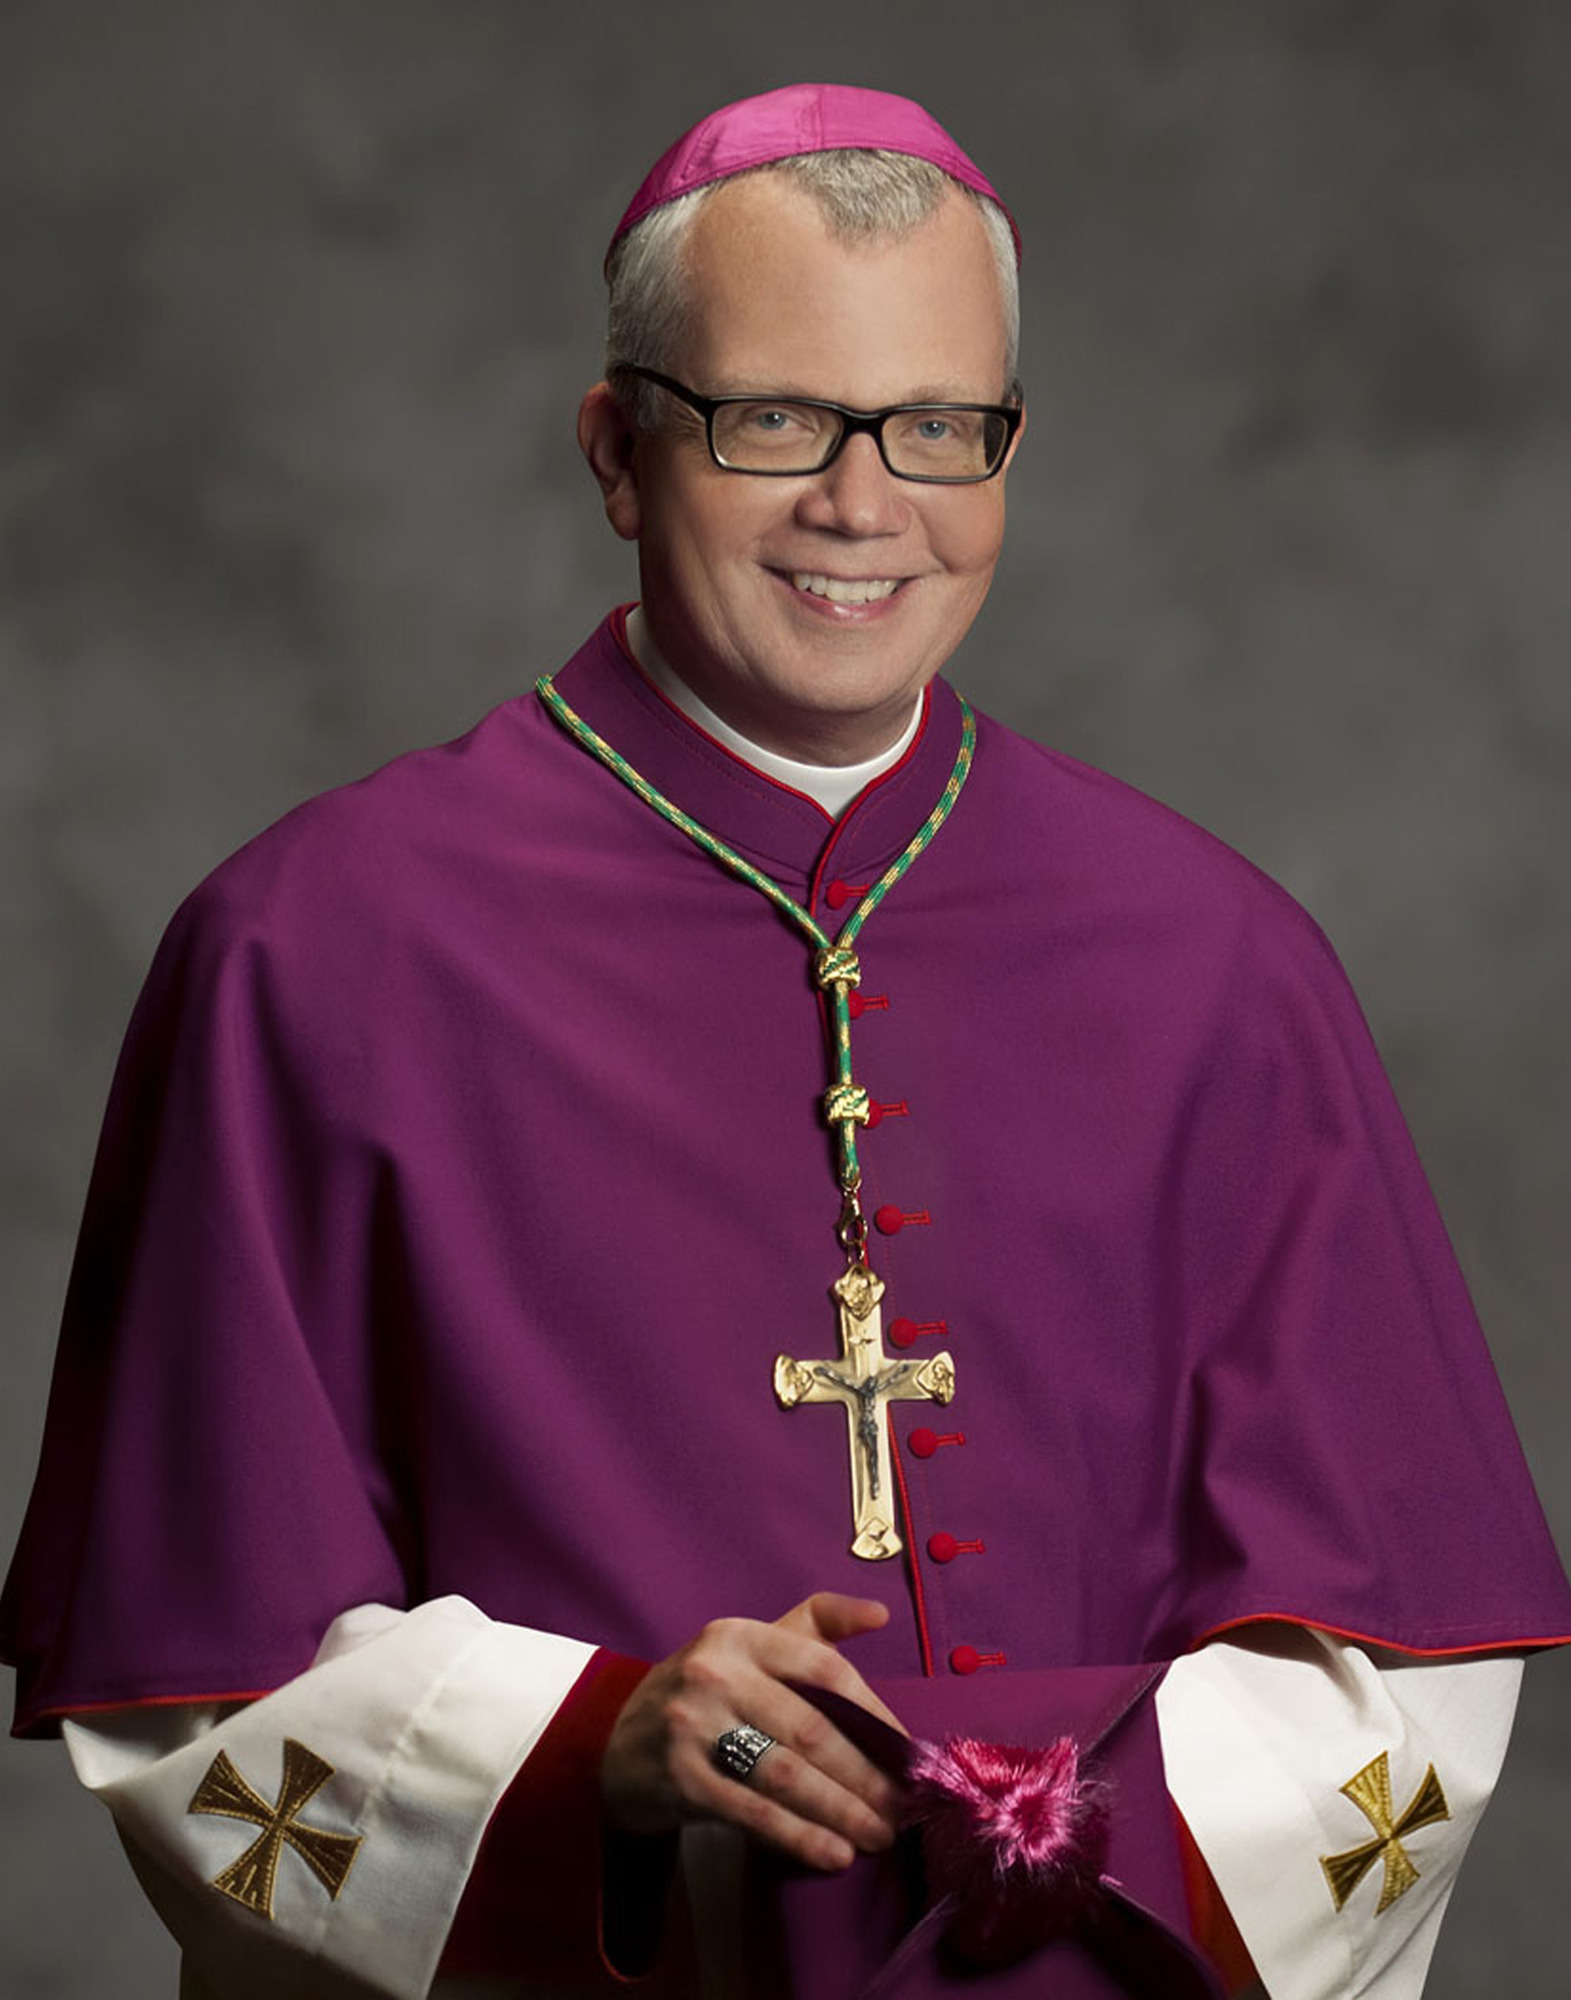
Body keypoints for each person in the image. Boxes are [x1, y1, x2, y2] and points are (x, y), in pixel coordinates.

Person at [4, 82, 1569, 2000]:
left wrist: (1052, 1838)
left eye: (939, 425)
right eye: (774, 421)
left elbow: (1402, 1675)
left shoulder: (1225, 963)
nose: (863, 503)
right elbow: (197, 1696)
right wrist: (598, 1751)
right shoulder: (304, 953)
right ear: (617, 450)